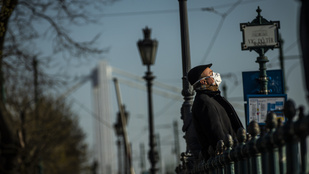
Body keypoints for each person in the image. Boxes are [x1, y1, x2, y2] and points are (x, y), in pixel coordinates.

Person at [187, 63, 243, 160]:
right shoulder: (204, 101)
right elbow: (215, 131)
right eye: (211, 73)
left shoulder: (211, 98)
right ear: (204, 81)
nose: (215, 75)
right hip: (227, 158)